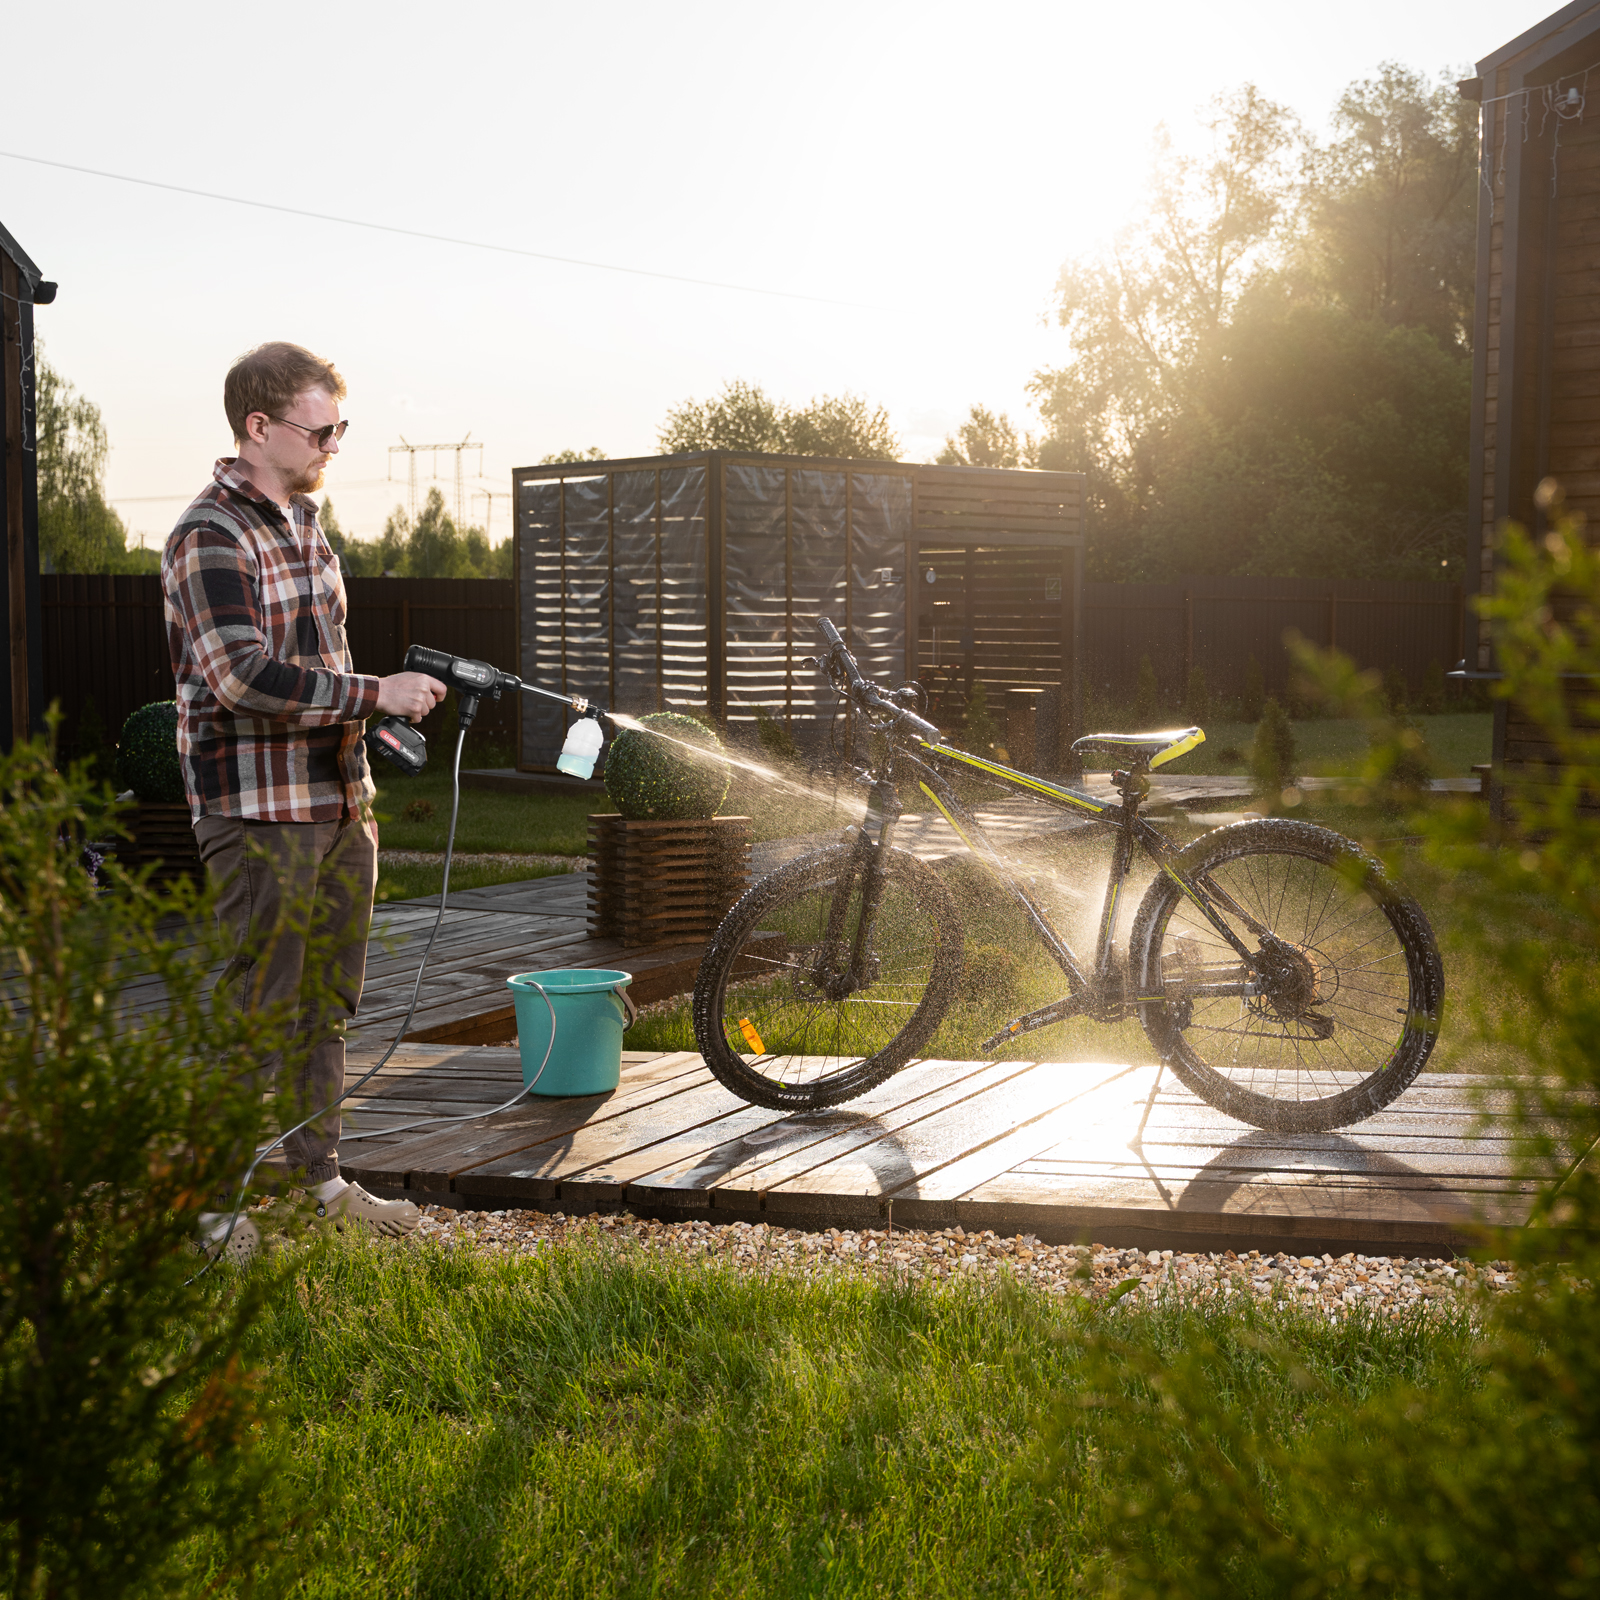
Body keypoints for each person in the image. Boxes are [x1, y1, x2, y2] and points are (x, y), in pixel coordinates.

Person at [162, 341, 446, 1261]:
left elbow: (316, 665)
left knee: (327, 1002)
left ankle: (320, 1176)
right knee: (259, 1002)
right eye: (319, 428)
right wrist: (376, 693)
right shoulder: (210, 534)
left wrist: (375, 734)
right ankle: (214, 1208)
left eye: (337, 427)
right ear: (258, 428)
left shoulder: (307, 526)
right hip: (255, 811)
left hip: (337, 806)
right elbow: (241, 677)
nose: (332, 442)